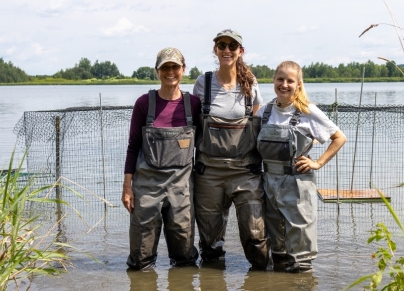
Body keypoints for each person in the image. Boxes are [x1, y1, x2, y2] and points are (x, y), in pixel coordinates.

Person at [255, 60, 346, 273]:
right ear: (273, 81)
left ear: (299, 85)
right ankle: (280, 280)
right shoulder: (264, 112)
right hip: (268, 183)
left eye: (290, 81)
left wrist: (318, 163)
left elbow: (339, 138)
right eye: (280, 79)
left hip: (297, 184)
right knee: (276, 242)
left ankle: (303, 281)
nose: (284, 84)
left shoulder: (307, 111)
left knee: (301, 242)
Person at [193, 29, 270, 269]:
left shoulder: (251, 83)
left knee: (256, 236)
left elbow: (259, 123)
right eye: (222, 45)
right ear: (215, 50)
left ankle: (263, 281)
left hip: (246, 171)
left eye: (232, 46)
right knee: (209, 242)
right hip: (210, 173)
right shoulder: (202, 83)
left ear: (240, 51)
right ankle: (213, 278)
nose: (227, 50)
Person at [121, 47, 201, 270]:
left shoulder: (193, 105)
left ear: (183, 69)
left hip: (181, 188)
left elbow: (203, 146)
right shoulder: (144, 103)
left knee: (184, 258)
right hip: (147, 188)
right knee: (140, 259)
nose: (170, 72)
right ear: (157, 71)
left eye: (175, 67)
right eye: (165, 67)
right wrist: (127, 187)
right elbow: (132, 147)